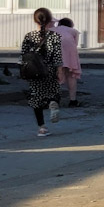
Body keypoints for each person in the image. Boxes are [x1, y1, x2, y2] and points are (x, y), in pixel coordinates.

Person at [20, 8, 64, 137]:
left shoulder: (29, 36)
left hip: (34, 71)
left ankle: (42, 128)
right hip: (49, 70)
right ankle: (52, 103)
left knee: (36, 99)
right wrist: (59, 71)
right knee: (54, 92)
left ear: (35, 20)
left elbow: (23, 55)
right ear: (50, 20)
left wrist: (24, 71)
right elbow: (57, 56)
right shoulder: (55, 37)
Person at [54, 16, 82, 107]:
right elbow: (75, 44)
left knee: (56, 75)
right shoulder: (74, 31)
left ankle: (54, 100)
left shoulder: (51, 30)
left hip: (55, 52)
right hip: (70, 54)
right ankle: (73, 100)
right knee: (71, 75)